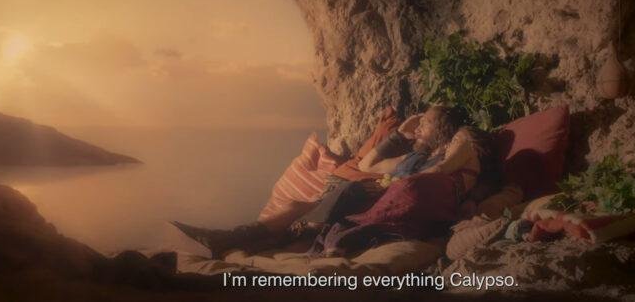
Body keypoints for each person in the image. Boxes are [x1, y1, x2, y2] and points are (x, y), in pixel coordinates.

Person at [171, 105, 488, 258]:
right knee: (300, 204)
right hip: (368, 197)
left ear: (445, 129)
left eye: (426, 123)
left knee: (335, 196)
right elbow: (367, 163)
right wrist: (399, 133)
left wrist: (454, 131)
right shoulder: (411, 158)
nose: (419, 126)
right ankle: (233, 239)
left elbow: (452, 155)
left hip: (383, 204)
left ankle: (235, 240)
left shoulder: (457, 151)